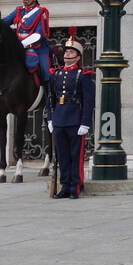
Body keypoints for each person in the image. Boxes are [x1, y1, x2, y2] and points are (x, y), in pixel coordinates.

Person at [0, 0, 53, 123]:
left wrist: (21, 44)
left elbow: (40, 33)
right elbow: (1, 24)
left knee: (45, 71)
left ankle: (50, 102)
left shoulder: (41, 12)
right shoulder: (18, 11)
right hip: (18, 47)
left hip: (36, 46)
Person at [48, 38, 94, 199]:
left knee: (76, 155)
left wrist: (85, 123)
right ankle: (65, 186)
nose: (67, 54)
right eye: (66, 51)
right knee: (62, 156)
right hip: (59, 119)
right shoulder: (57, 74)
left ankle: (75, 186)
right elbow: (51, 98)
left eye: (71, 52)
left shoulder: (83, 75)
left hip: (75, 120)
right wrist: (50, 119)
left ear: (78, 57)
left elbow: (88, 102)